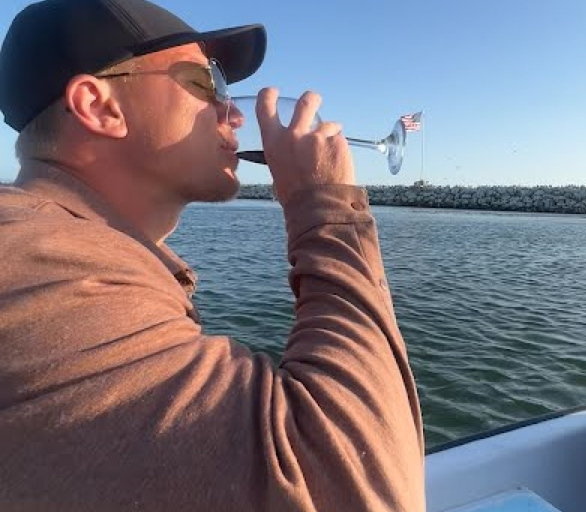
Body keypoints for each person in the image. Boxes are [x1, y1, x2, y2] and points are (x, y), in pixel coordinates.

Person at [0, 0, 425, 511]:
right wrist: (326, 206)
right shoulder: (43, 266)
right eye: (208, 86)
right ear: (99, 107)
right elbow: (357, 491)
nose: (236, 112)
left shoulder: (59, 246)